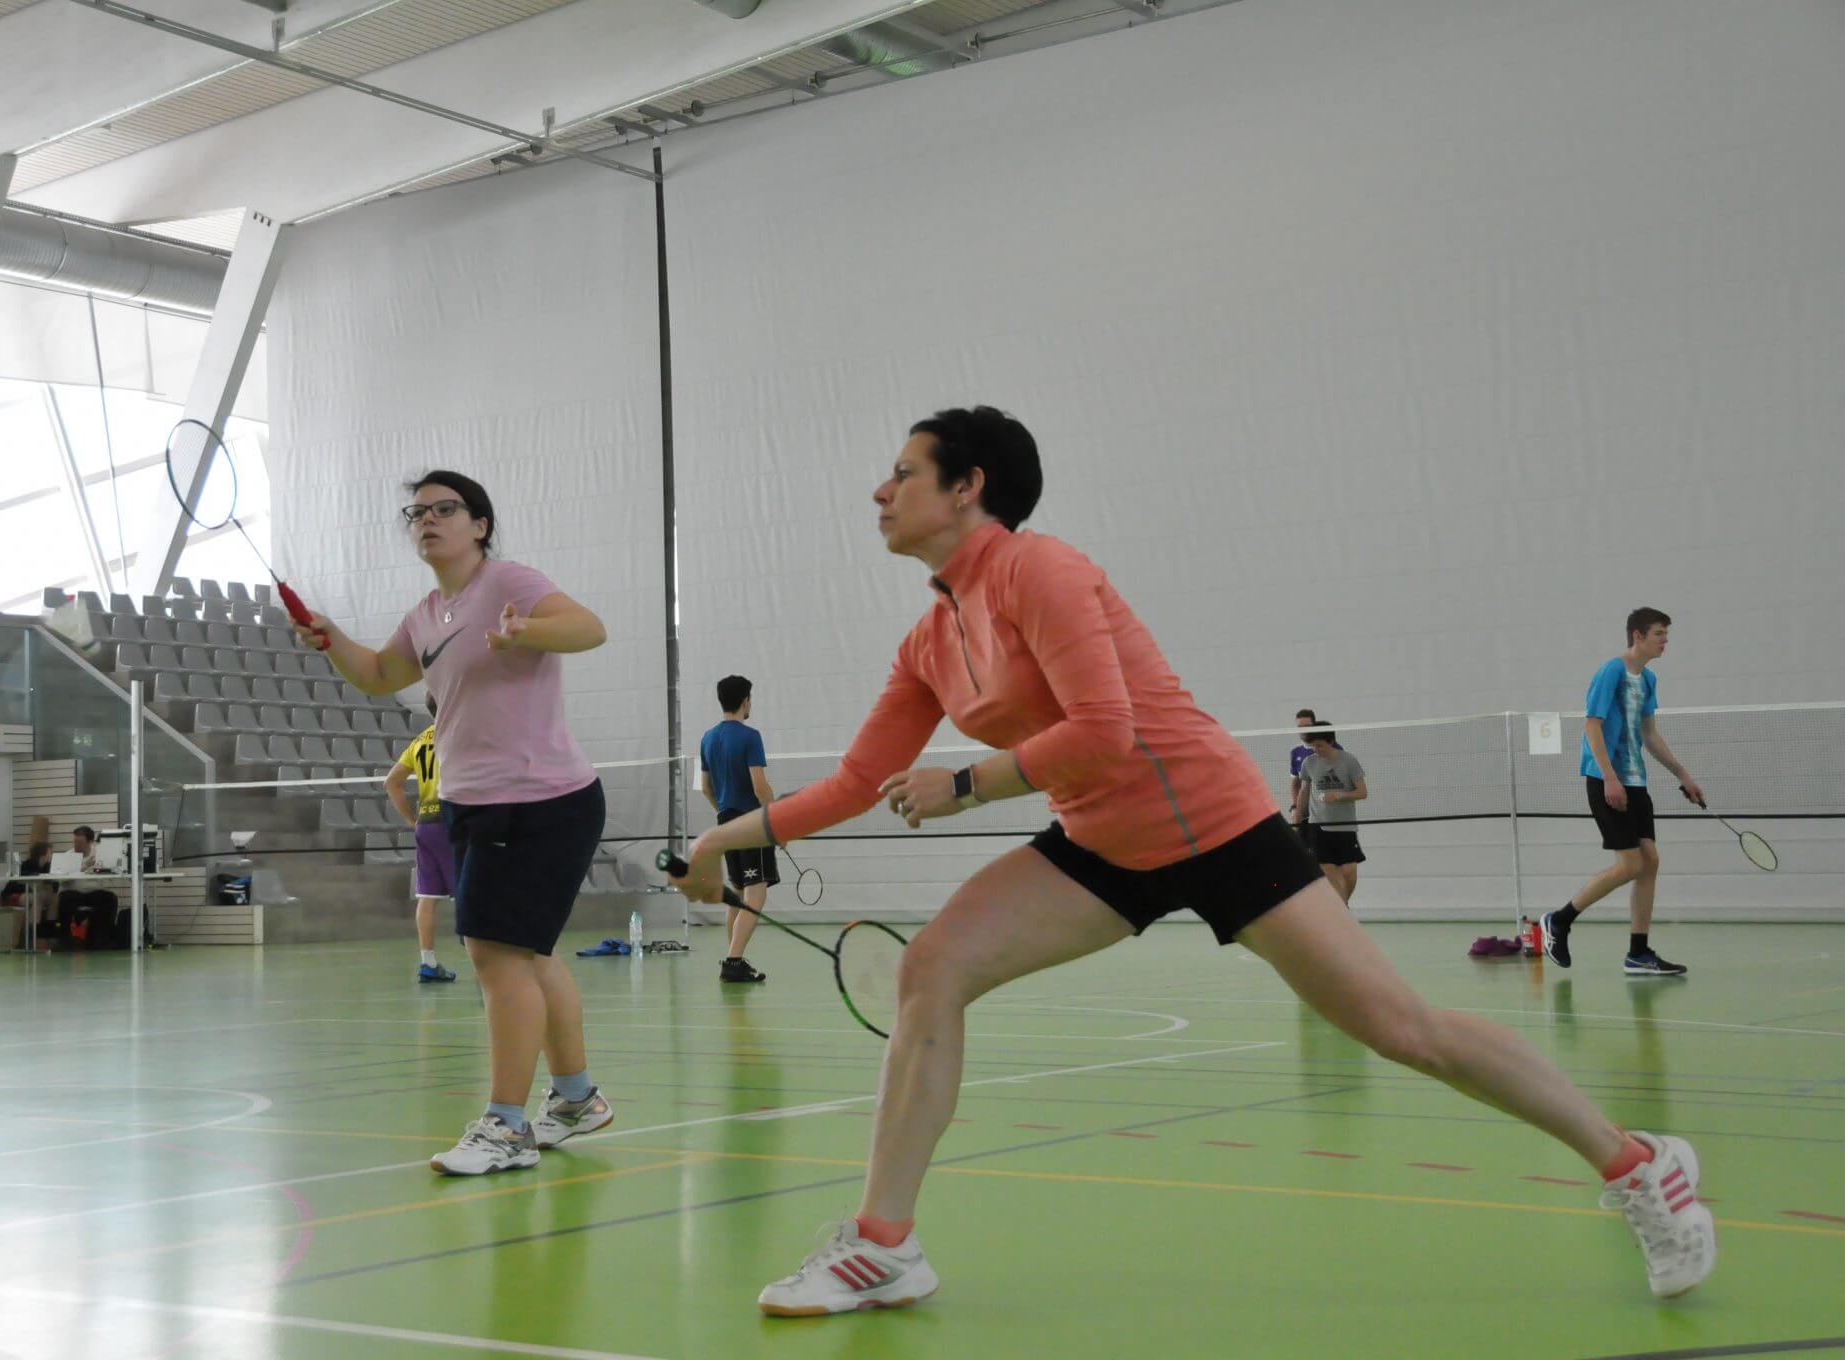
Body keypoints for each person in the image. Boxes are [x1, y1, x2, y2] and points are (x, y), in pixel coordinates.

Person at [669, 407, 1715, 1314]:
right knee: (929, 967)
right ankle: (883, 1244)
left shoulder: (1041, 569)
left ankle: (1638, 1166)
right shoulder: (928, 641)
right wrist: (722, 838)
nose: (878, 489)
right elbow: (855, 783)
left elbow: (1107, 731)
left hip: (1213, 826)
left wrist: (970, 782)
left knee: (1403, 1029)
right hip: (1098, 846)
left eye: (901, 471)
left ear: (966, 486)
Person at [296, 468, 614, 1175]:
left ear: (479, 524)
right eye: (417, 512)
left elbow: (589, 628)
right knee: (527, 955)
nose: (428, 520)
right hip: (476, 801)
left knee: (494, 957)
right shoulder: (426, 613)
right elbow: (380, 674)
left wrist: (526, 629)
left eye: (445, 509)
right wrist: (333, 636)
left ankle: (505, 1126)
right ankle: (574, 1098)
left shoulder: (508, 583)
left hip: (536, 797)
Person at [1541, 609, 1702, 977]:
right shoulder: (1611, 671)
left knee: (1650, 861)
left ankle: (1638, 952)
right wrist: (1609, 777)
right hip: (1606, 780)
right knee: (1630, 864)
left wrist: (1683, 775)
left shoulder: (1648, 680)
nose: (1665, 640)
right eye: (1659, 633)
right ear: (1637, 635)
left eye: (1666, 634)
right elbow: (1592, 726)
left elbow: (1650, 734)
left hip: (1636, 782)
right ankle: (1559, 921)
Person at [699, 674, 775, 983]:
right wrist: (775, 817)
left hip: (726, 821)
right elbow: (759, 786)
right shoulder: (749, 736)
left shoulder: (706, 738)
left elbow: (706, 788)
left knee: (741, 894)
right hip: (752, 824)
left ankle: (735, 959)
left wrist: (723, 813)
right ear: (745, 701)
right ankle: (733, 961)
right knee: (756, 894)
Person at [387, 694, 456, 983]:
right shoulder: (457, 733)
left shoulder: (420, 739)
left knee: (427, 896)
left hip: (426, 824)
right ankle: (488, 961)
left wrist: (411, 820)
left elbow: (391, 783)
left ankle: (428, 963)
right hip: (453, 818)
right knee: (469, 892)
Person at [1294, 726, 1367, 903]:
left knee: (1349, 871)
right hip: (1318, 825)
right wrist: (1297, 817)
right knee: (1328, 871)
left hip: (1345, 825)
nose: (1316, 750)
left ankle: (1343, 905)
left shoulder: (1349, 761)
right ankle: (1341, 910)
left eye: (1320, 745)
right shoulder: (1309, 763)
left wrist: (1339, 796)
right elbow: (1304, 791)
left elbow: (1362, 792)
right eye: (1313, 746)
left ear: (1331, 742)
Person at [1287, 708, 1320, 828]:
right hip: (1304, 807)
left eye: (1307, 726)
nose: (1303, 730)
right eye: (1300, 727)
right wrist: (1295, 807)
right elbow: (1295, 783)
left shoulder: (1331, 748)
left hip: (1326, 808)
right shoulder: (1295, 752)